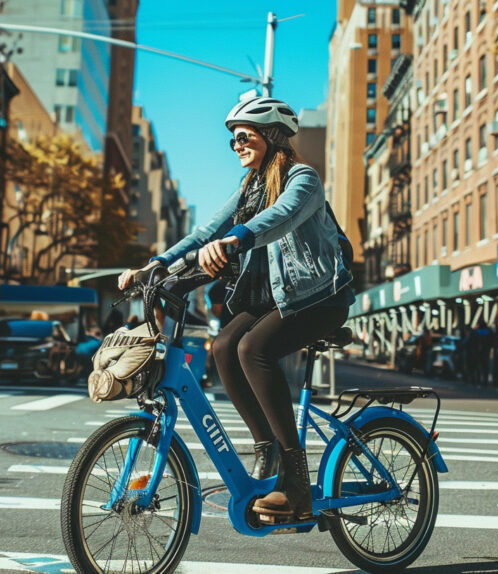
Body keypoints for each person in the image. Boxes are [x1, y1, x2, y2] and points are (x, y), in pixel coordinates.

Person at [117, 96, 354, 525]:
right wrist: (156, 264)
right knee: (224, 345)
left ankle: (297, 484)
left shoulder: (303, 179)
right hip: (275, 297)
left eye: (244, 137)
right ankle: (268, 452)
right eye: (232, 140)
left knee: (253, 350)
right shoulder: (247, 189)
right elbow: (207, 230)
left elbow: (281, 217)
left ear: (271, 136)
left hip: (319, 297)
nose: (237, 145)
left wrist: (237, 239)